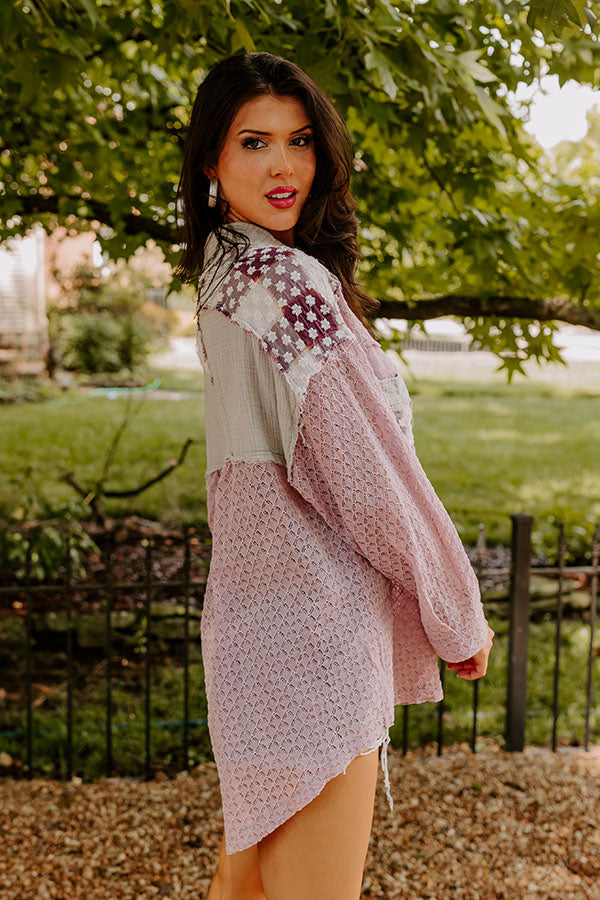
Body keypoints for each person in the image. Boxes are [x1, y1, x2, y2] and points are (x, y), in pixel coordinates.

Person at [175, 51, 495, 900]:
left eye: (301, 140)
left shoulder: (223, 276)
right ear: (211, 161)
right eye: (254, 143)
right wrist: (455, 608)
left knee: (246, 891)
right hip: (314, 641)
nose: (283, 166)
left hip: (249, 634)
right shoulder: (286, 286)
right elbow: (371, 475)